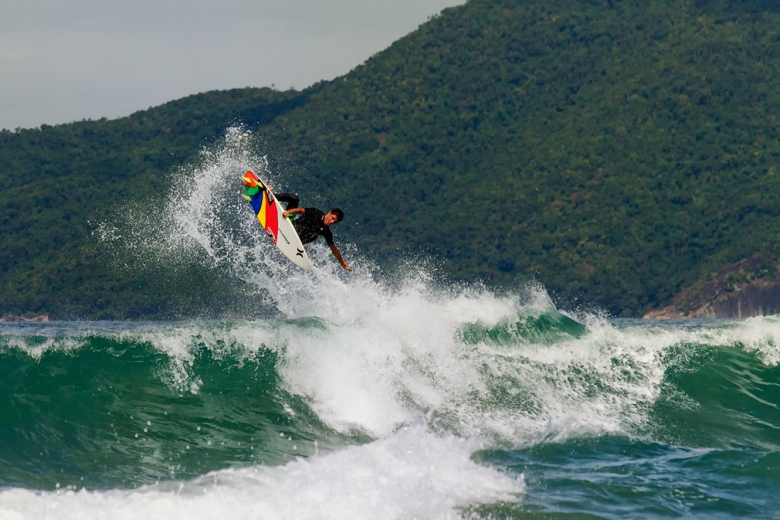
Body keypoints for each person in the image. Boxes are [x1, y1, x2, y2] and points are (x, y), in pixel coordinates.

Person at [275, 193, 352, 271]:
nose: (332, 222)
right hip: (290, 225)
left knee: (315, 235)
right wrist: (289, 212)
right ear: (329, 213)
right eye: (332, 218)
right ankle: (269, 195)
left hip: (296, 239)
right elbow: (301, 210)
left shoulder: (326, 231)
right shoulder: (316, 213)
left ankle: (295, 245)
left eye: (334, 222)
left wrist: (343, 264)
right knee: (294, 198)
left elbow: (334, 249)